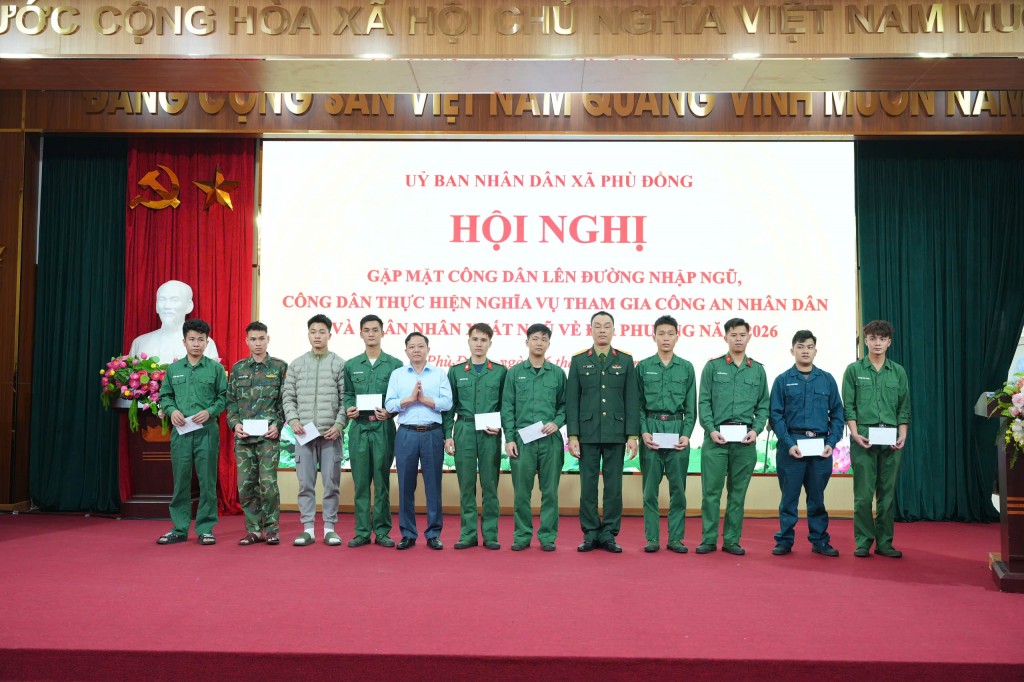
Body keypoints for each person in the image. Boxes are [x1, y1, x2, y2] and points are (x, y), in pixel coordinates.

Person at [696, 317, 770, 556]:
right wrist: (711, 429)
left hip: (744, 442)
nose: (738, 339)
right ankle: (708, 539)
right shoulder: (712, 367)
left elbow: (763, 405)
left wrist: (755, 430)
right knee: (711, 493)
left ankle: (731, 541)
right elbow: (704, 402)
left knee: (737, 494)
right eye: (733, 335)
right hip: (716, 440)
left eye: (742, 335)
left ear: (749, 337)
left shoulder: (757, 370)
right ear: (725, 337)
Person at [567, 311, 639, 553]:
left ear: (614, 330)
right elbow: (572, 400)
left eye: (607, 326)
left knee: (613, 487)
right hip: (587, 433)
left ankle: (609, 533)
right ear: (590, 330)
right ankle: (590, 533)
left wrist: (632, 435)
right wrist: (573, 435)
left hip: (616, 433)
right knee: (588, 487)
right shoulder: (579, 360)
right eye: (597, 326)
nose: (602, 330)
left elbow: (631, 399)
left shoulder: (625, 360)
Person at [768, 330, 844, 557]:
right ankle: (784, 541)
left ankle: (819, 540)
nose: (805, 351)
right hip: (791, 447)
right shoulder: (782, 380)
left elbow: (837, 414)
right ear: (792, 350)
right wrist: (789, 443)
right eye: (800, 347)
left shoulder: (827, 379)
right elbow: (776, 416)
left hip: (820, 448)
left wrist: (831, 442)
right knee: (788, 499)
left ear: (815, 351)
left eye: (809, 347)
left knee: (817, 499)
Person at [842, 320, 911, 558]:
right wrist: (854, 433)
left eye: (882, 339)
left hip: (891, 439)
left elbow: (903, 408)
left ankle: (885, 543)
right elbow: (849, 407)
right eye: (872, 338)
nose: (877, 343)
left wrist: (902, 435)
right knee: (863, 496)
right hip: (864, 438)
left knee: (887, 496)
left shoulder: (898, 371)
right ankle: (863, 542)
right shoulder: (854, 370)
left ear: (889, 342)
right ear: (866, 341)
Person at [156, 319, 227, 546]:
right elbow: (165, 396)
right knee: (181, 482)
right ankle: (179, 528)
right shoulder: (174, 370)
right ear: (184, 341)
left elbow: (224, 397)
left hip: (207, 432)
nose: (196, 344)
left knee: (207, 482)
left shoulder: (215, 369)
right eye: (192, 339)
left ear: (207, 342)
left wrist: (210, 411)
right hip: (181, 433)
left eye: (201, 340)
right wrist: (172, 410)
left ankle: (206, 528)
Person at [282, 314, 347, 547]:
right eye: (313, 332)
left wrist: (339, 425)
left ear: (330, 334)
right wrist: (293, 420)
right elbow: (288, 397)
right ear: (308, 334)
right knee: (305, 485)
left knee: (331, 484)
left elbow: (346, 399)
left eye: (322, 332)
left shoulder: (339, 364)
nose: (317, 336)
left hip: (330, 436)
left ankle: (330, 529)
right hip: (304, 436)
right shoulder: (297, 365)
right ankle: (308, 530)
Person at [501, 323, 566, 551]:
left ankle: (547, 537)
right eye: (535, 338)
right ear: (527, 342)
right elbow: (507, 407)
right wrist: (509, 438)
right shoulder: (514, 373)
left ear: (549, 344)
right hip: (522, 440)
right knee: (521, 493)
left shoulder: (557, 373)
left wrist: (557, 422)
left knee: (550, 492)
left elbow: (565, 405)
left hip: (550, 441)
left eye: (544, 339)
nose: (539, 343)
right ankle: (522, 535)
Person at [385, 332, 453, 550]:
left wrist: (424, 400)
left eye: (421, 346)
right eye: (412, 346)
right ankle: (408, 533)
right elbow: (389, 404)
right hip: (406, 433)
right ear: (406, 350)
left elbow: (448, 403)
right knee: (405, 485)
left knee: (433, 485)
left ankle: (433, 534)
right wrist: (409, 399)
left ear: (428, 350)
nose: (416, 350)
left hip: (432, 433)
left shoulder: (439, 374)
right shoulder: (397, 375)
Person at [443, 323, 507, 550]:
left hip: (490, 433)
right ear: (468, 341)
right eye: (475, 339)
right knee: (466, 484)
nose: (479, 344)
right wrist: (448, 435)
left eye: (483, 340)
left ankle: (490, 535)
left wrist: (501, 426)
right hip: (465, 430)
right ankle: (468, 534)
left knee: (490, 484)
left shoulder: (500, 371)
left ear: (490, 343)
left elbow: (506, 405)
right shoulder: (456, 371)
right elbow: (449, 408)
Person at [343, 314, 404, 548]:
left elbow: (398, 397)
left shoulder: (395, 364)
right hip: (359, 427)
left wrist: (390, 412)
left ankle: (382, 531)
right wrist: (349, 407)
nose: (371, 334)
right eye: (367, 330)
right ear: (361, 333)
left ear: (382, 333)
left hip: (382, 428)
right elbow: (348, 393)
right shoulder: (351, 365)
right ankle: (361, 532)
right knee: (360, 483)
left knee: (381, 481)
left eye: (375, 330)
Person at [636, 315, 696, 554]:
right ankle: (652, 538)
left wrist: (686, 434)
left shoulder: (686, 367)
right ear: (654, 337)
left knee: (678, 491)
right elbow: (638, 405)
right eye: (661, 333)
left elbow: (691, 407)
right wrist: (643, 431)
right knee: (649, 491)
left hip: (676, 429)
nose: (666, 338)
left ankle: (676, 539)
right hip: (652, 429)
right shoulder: (643, 367)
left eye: (670, 333)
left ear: (677, 337)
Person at [226, 321, 288, 546]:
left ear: (268, 339)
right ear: (247, 341)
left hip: (268, 438)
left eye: (262, 338)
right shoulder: (238, 368)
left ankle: (271, 529)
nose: (258, 343)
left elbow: (285, 401)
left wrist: (278, 424)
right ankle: (253, 529)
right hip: (244, 439)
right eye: (253, 339)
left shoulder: (280, 367)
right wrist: (235, 424)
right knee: (246, 486)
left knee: (268, 485)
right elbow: (231, 401)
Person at [129, 280, 219, 363]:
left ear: (189, 306)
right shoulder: (140, 342)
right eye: (162, 300)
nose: (166, 306)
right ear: (156, 306)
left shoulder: (205, 344)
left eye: (174, 300)